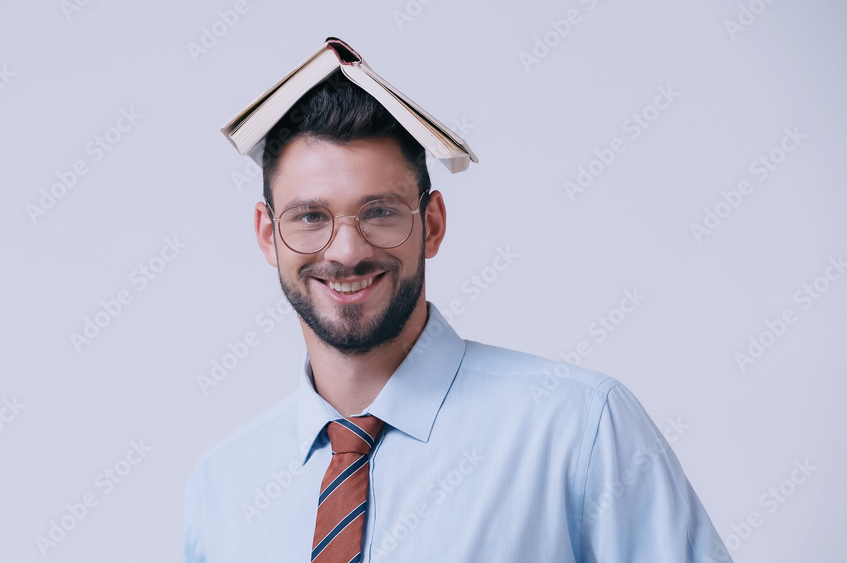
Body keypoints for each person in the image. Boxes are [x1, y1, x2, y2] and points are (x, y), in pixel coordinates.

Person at [183, 75, 731, 562]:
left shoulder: (579, 431)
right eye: (309, 217)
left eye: (379, 212)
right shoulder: (222, 486)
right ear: (266, 235)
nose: (346, 251)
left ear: (434, 224)